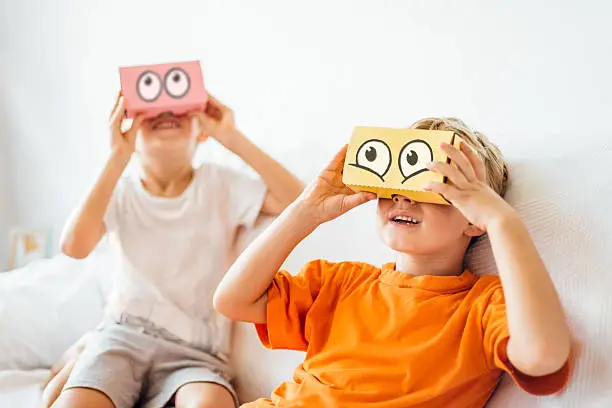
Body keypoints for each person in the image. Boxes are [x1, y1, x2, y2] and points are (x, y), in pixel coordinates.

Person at [214, 118, 571, 407]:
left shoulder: (483, 307)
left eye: (434, 185)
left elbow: (542, 357)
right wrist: (306, 211)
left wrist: (502, 221)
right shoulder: (341, 282)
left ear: (474, 216)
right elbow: (232, 300)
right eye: (396, 181)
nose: (402, 195)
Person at [48, 91, 303, 408]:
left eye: (179, 110)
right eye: (150, 112)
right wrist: (117, 158)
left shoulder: (220, 184)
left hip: (195, 353)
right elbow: (74, 247)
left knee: (211, 403)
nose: (165, 112)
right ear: (131, 132)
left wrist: (231, 137)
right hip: (124, 336)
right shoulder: (121, 192)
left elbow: (299, 203)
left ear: (200, 133)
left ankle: (83, 352)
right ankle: (87, 349)